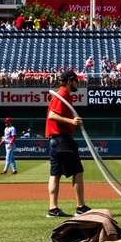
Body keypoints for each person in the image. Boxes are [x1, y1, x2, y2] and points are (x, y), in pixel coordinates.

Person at [45, 70, 91, 217]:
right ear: (70, 82)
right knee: (77, 171)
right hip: (62, 140)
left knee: (55, 174)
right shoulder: (62, 94)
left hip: (55, 140)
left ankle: (53, 209)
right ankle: (80, 207)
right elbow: (52, 115)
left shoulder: (64, 95)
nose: (79, 83)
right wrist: (71, 121)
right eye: (77, 81)